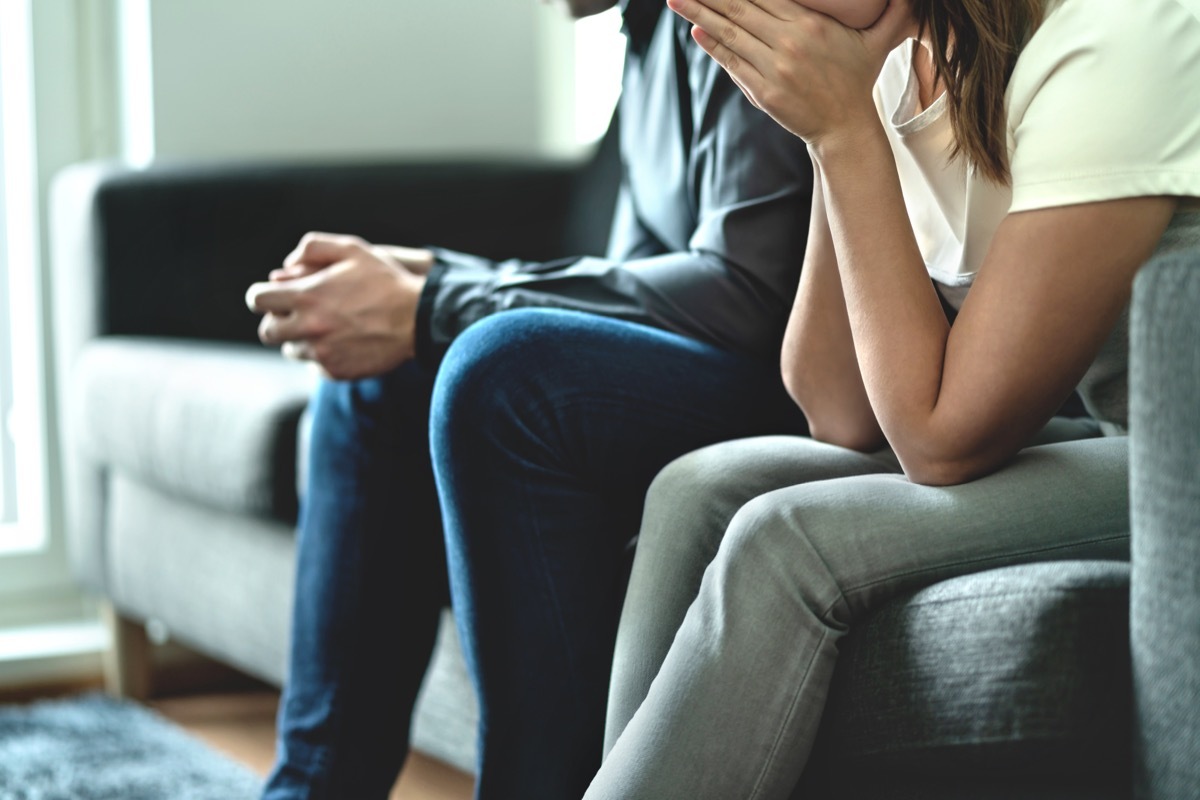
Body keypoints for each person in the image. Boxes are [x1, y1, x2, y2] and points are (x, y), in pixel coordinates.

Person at [583, 0, 1200, 797]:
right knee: (697, 489)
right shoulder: (905, 55)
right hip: (1121, 436)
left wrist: (845, 135)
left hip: (1183, 468)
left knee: (788, 541)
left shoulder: (1120, 33)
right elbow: (838, 408)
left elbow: (941, 440)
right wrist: (827, 130)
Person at [245, 0, 817, 796]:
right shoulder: (647, 32)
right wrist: (430, 286)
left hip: (815, 391)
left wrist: (441, 300)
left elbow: (747, 292)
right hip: (726, 364)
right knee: (380, 369)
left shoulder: (734, 13)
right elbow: (640, 277)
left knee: (496, 367)